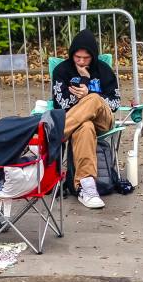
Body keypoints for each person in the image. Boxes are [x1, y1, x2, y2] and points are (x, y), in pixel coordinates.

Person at [50, 29, 121, 211]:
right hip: (78, 123)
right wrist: (80, 88)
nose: (81, 61)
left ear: (93, 56)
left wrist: (89, 92)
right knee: (85, 126)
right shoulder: (62, 71)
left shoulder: (103, 70)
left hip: (103, 120)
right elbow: (60, 103)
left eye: (86, 58)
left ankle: (53, 136)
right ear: (72, 54)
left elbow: (114, 102)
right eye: (77, 57)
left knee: (95, 99)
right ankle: (86, 187)